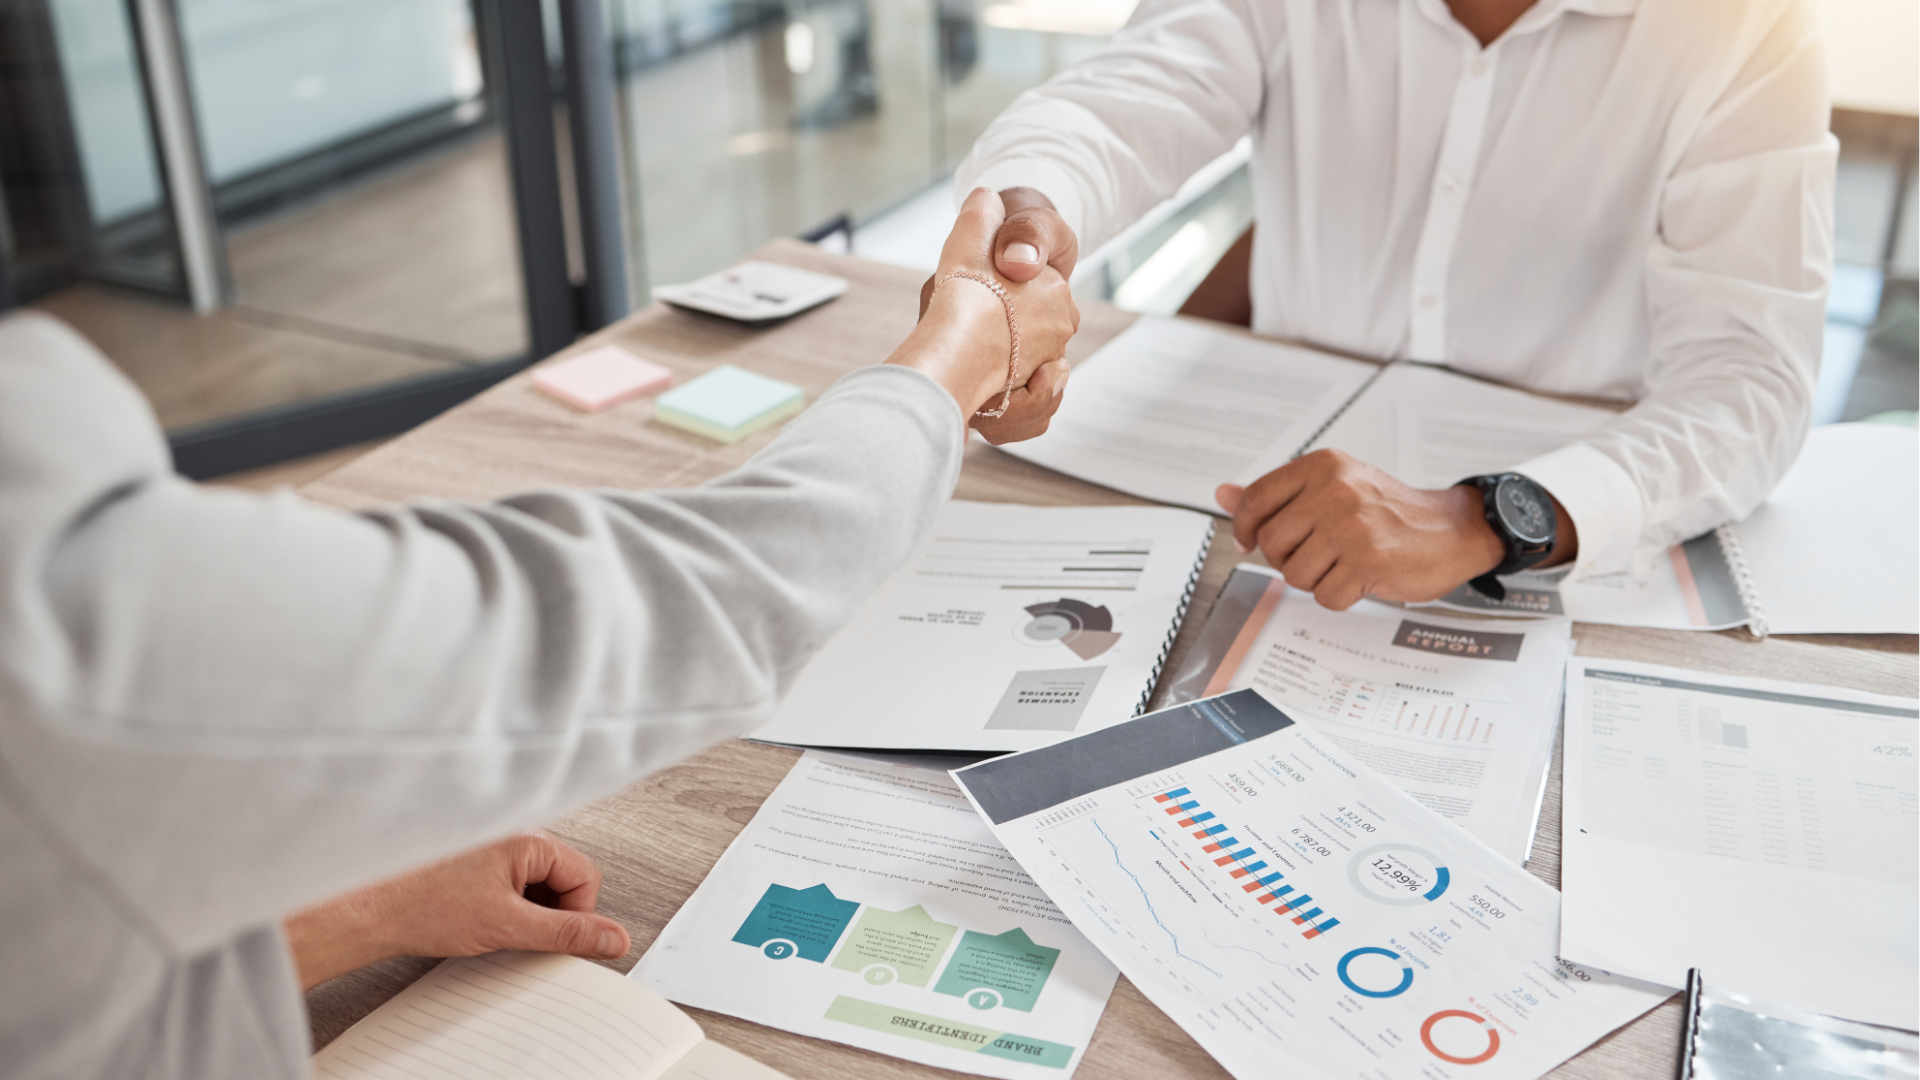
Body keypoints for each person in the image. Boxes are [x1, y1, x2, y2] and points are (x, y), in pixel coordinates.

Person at [0, 188, 1076, 1080]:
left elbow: (47, 951)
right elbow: (708, 592)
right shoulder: (59, 612)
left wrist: (356, 915)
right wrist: (950, 360)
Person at [953, 0, 1834, 611]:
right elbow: (1121, 104)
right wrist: (1027, 226)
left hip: (1575, 536)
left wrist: (1491, 517)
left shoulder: (1749, 26)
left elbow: (1749, 379)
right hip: (1251, 517)